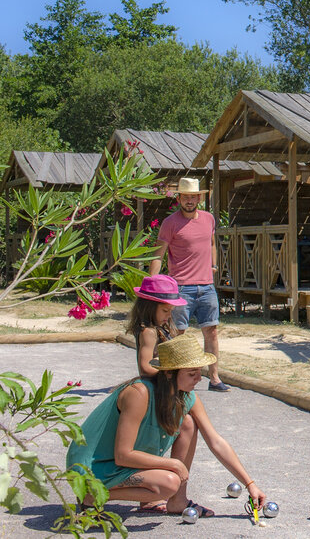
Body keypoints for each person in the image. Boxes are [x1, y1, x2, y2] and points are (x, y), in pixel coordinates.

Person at [66, 334, 267, 517]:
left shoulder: (187, 397)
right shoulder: (139, 393)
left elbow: (215, 441)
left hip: (121, 465)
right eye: (191, 373)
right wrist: (174, 464)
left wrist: (250, 484)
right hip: (92, 468)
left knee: (188, 423)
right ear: (169, 373)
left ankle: (178, 501)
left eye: (199, 372)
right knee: (169, 481)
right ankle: (93, 495)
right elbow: (123, 454)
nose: (199, 379)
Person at [149, 177, 229, 392]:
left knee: (211, 331)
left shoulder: (208, 219)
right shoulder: (170, 223)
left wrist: (213, 265)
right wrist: (151, 285)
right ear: (179, 198)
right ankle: (172, 380)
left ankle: (214, 378)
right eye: (186, 196)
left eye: (193, 196)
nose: (190, 200)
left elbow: (211, 242)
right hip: (181, 287)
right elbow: (159, 254)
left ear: (199, 198)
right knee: (177, 335)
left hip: (207, 286)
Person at [127, 274, 183, 377]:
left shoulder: (158, 329)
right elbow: (145, 367)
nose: (169, 315)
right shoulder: (149, 332)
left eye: (171, 311)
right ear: (149, 308)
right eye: (165, 310)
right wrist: (172, 375)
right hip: (156, 385)